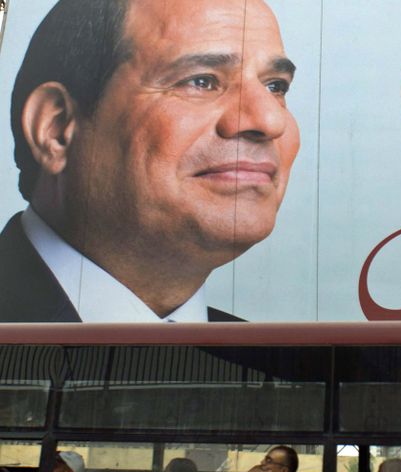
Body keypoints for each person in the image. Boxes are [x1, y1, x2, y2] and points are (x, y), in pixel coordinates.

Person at [0, 0, 299, 322]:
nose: (271, 120)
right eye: (201, 81)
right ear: (57, 128)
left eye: (275, 86)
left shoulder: (287, 365)